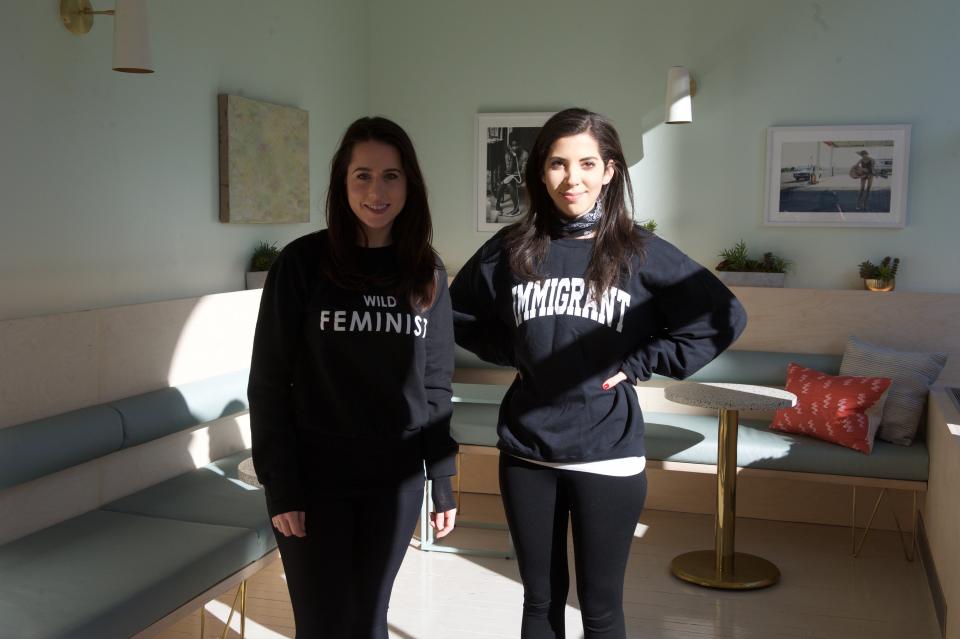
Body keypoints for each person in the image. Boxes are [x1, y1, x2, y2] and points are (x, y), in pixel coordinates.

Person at [450, 107, 747, 639]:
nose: (573, 178)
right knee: (539, 602)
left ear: (610, 171)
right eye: (559, 164)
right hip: (526, 450)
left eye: (587, 163)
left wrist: (640, 363)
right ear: (541, 171)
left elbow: (723, 316)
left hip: (607, 452)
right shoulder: (512, 248)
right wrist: (519, 350)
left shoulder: (638, 251)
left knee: (601, 608)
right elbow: (460, 314)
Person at [248, 116, 459, 638]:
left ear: (410, 184)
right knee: (320, 625)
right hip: (315, 476)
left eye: (391, 175)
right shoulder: (301, 264)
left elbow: (434, 382)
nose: (376, 190)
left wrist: (444, 478)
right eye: (362, 175)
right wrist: (282, 487)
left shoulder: (425, 270)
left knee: (368, 622)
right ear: (342, 182)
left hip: (396, 477)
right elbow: (269, 381)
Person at [495, 137, 530, 216]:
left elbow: (523, 171)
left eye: (516, 145)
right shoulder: (507, 155)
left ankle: (516, 209)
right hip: (511, 175)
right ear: (510, 146)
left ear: (520, 145)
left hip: (521, 176)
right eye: (513, 146)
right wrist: (512, 157)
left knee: (509, 183)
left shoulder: (525, 154)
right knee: (505, 183)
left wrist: (516, 161)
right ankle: (498, 204)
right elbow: (508, 170)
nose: (515, 147)